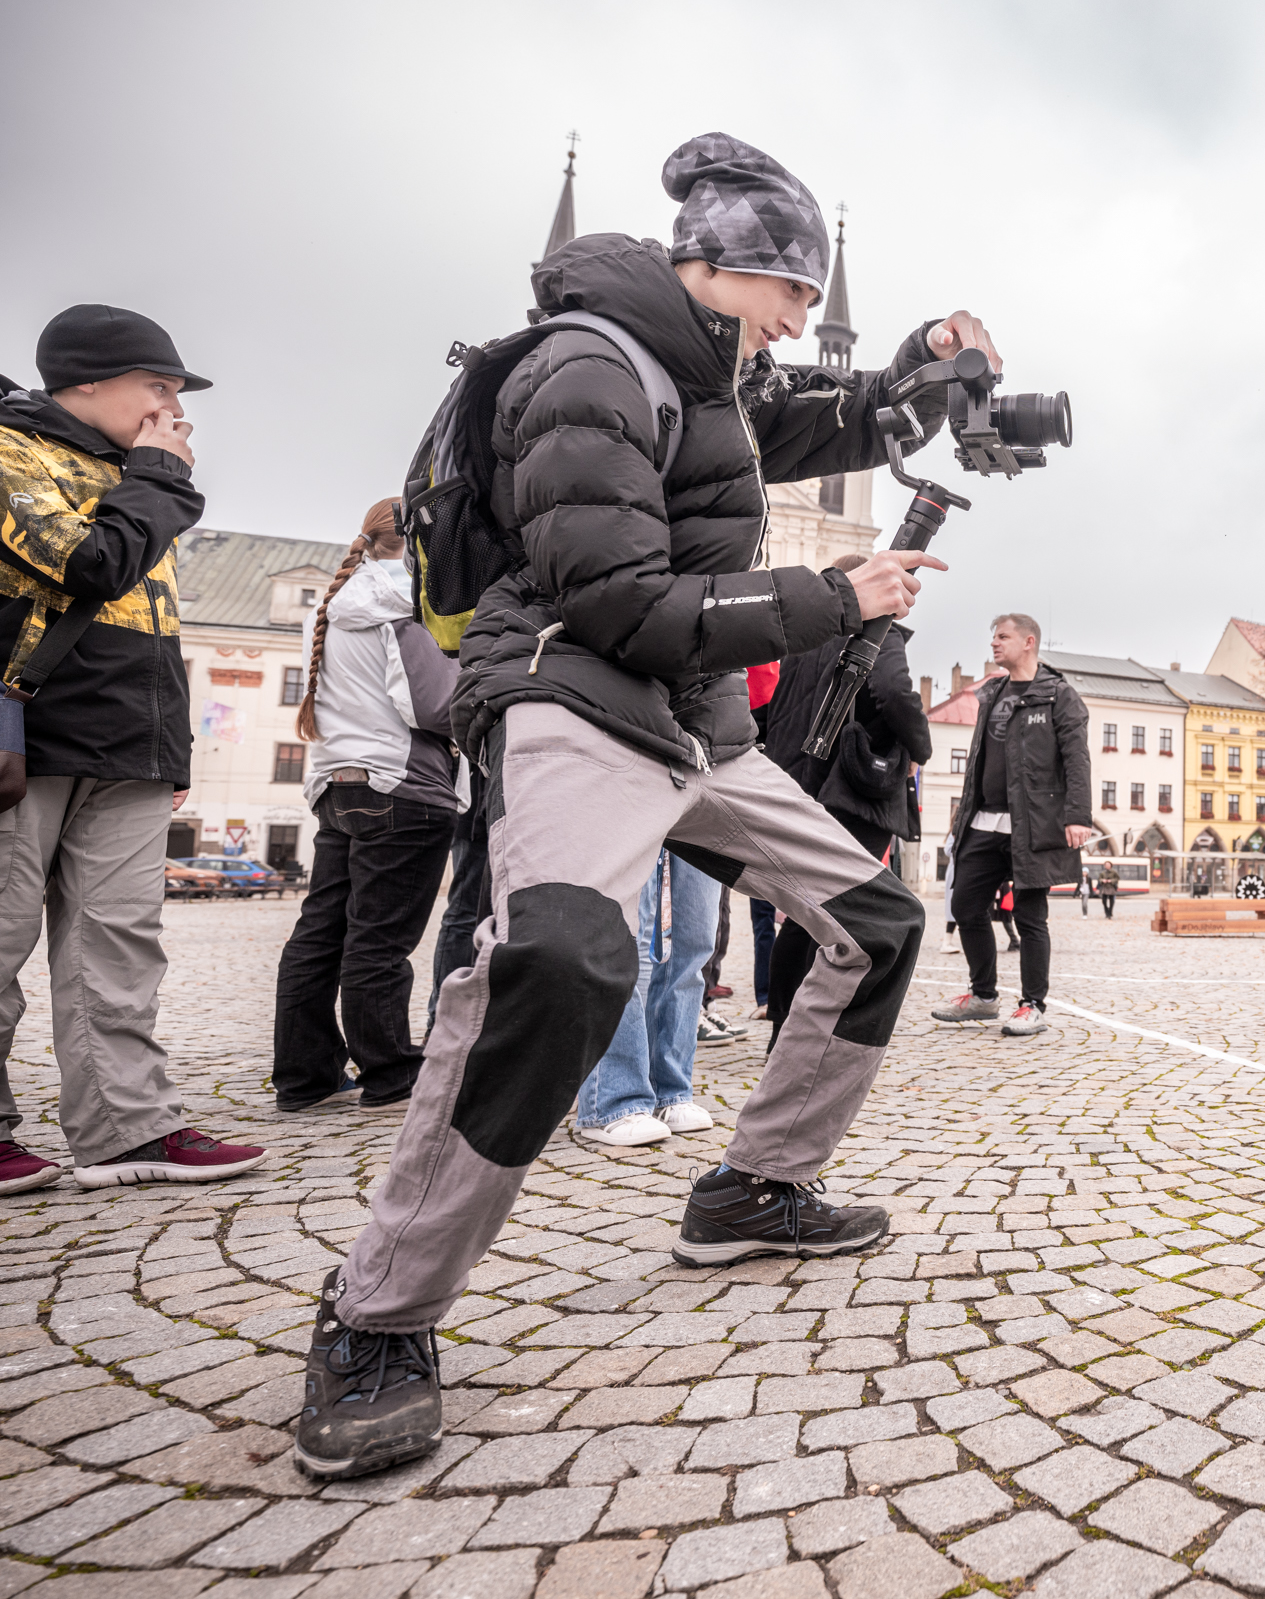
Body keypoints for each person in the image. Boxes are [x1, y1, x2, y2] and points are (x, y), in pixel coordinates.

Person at [297, 133, 999, 1479]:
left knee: (878, 921)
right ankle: (379, 1308)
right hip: (577, 697)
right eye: (794, 295)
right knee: (557, 962)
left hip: (692, 722)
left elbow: (853, 416)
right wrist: (836, 598)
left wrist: (932, 362)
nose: (804, 322)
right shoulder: (589, 368)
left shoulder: (712, 381)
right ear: (730, 268)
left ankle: (753, 1186)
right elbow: (618, 603)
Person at [0, 307, 267, 1194]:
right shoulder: (12, 452)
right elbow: (87, 566)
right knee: (2, 936)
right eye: (158, 384)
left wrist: (172, 746)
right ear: (83, 382)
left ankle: (127, 1128)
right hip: (29, 734)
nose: (173, 404)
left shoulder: (136, 475)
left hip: (129, 738)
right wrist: (159, 475)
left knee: (120, 946)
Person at [273, 500, 464, 1111]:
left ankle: (304, 1076)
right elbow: (432, 706)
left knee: (320, 933)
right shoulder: (406, 606)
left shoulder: (331, 604)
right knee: (379, 943)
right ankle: (390, 1074)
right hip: (402, 784)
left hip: (337, 783)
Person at [756, 591, 931, 1027]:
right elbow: (894, 690)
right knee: (850, 909)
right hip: (854, 789)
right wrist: (920, 749)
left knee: (804, 913)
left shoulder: (803, 643)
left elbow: (769, 712)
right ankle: (827, 1019)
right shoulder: (877, 630)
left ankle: (783, 1021)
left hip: (797, 787)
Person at [930, 614, 1093, 1037]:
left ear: (1028, 642)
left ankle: (1032, 1005)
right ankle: (983, 996)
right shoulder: (993, 693)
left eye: (1003, 637)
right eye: (993, 637)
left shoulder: (1058, 695)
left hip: (1034, 824)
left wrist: (1077, 816)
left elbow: (1077, 759)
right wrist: (959, 822)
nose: (994, 644)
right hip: (983, 821)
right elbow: (976, 766)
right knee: (966, 906)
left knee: (1030, 917)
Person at [573, 849, 718, 1146]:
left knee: (693, 942)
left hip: (705, 803)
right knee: (625, 933)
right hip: (630, 803)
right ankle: (611, 1100)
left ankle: (671, 1091)